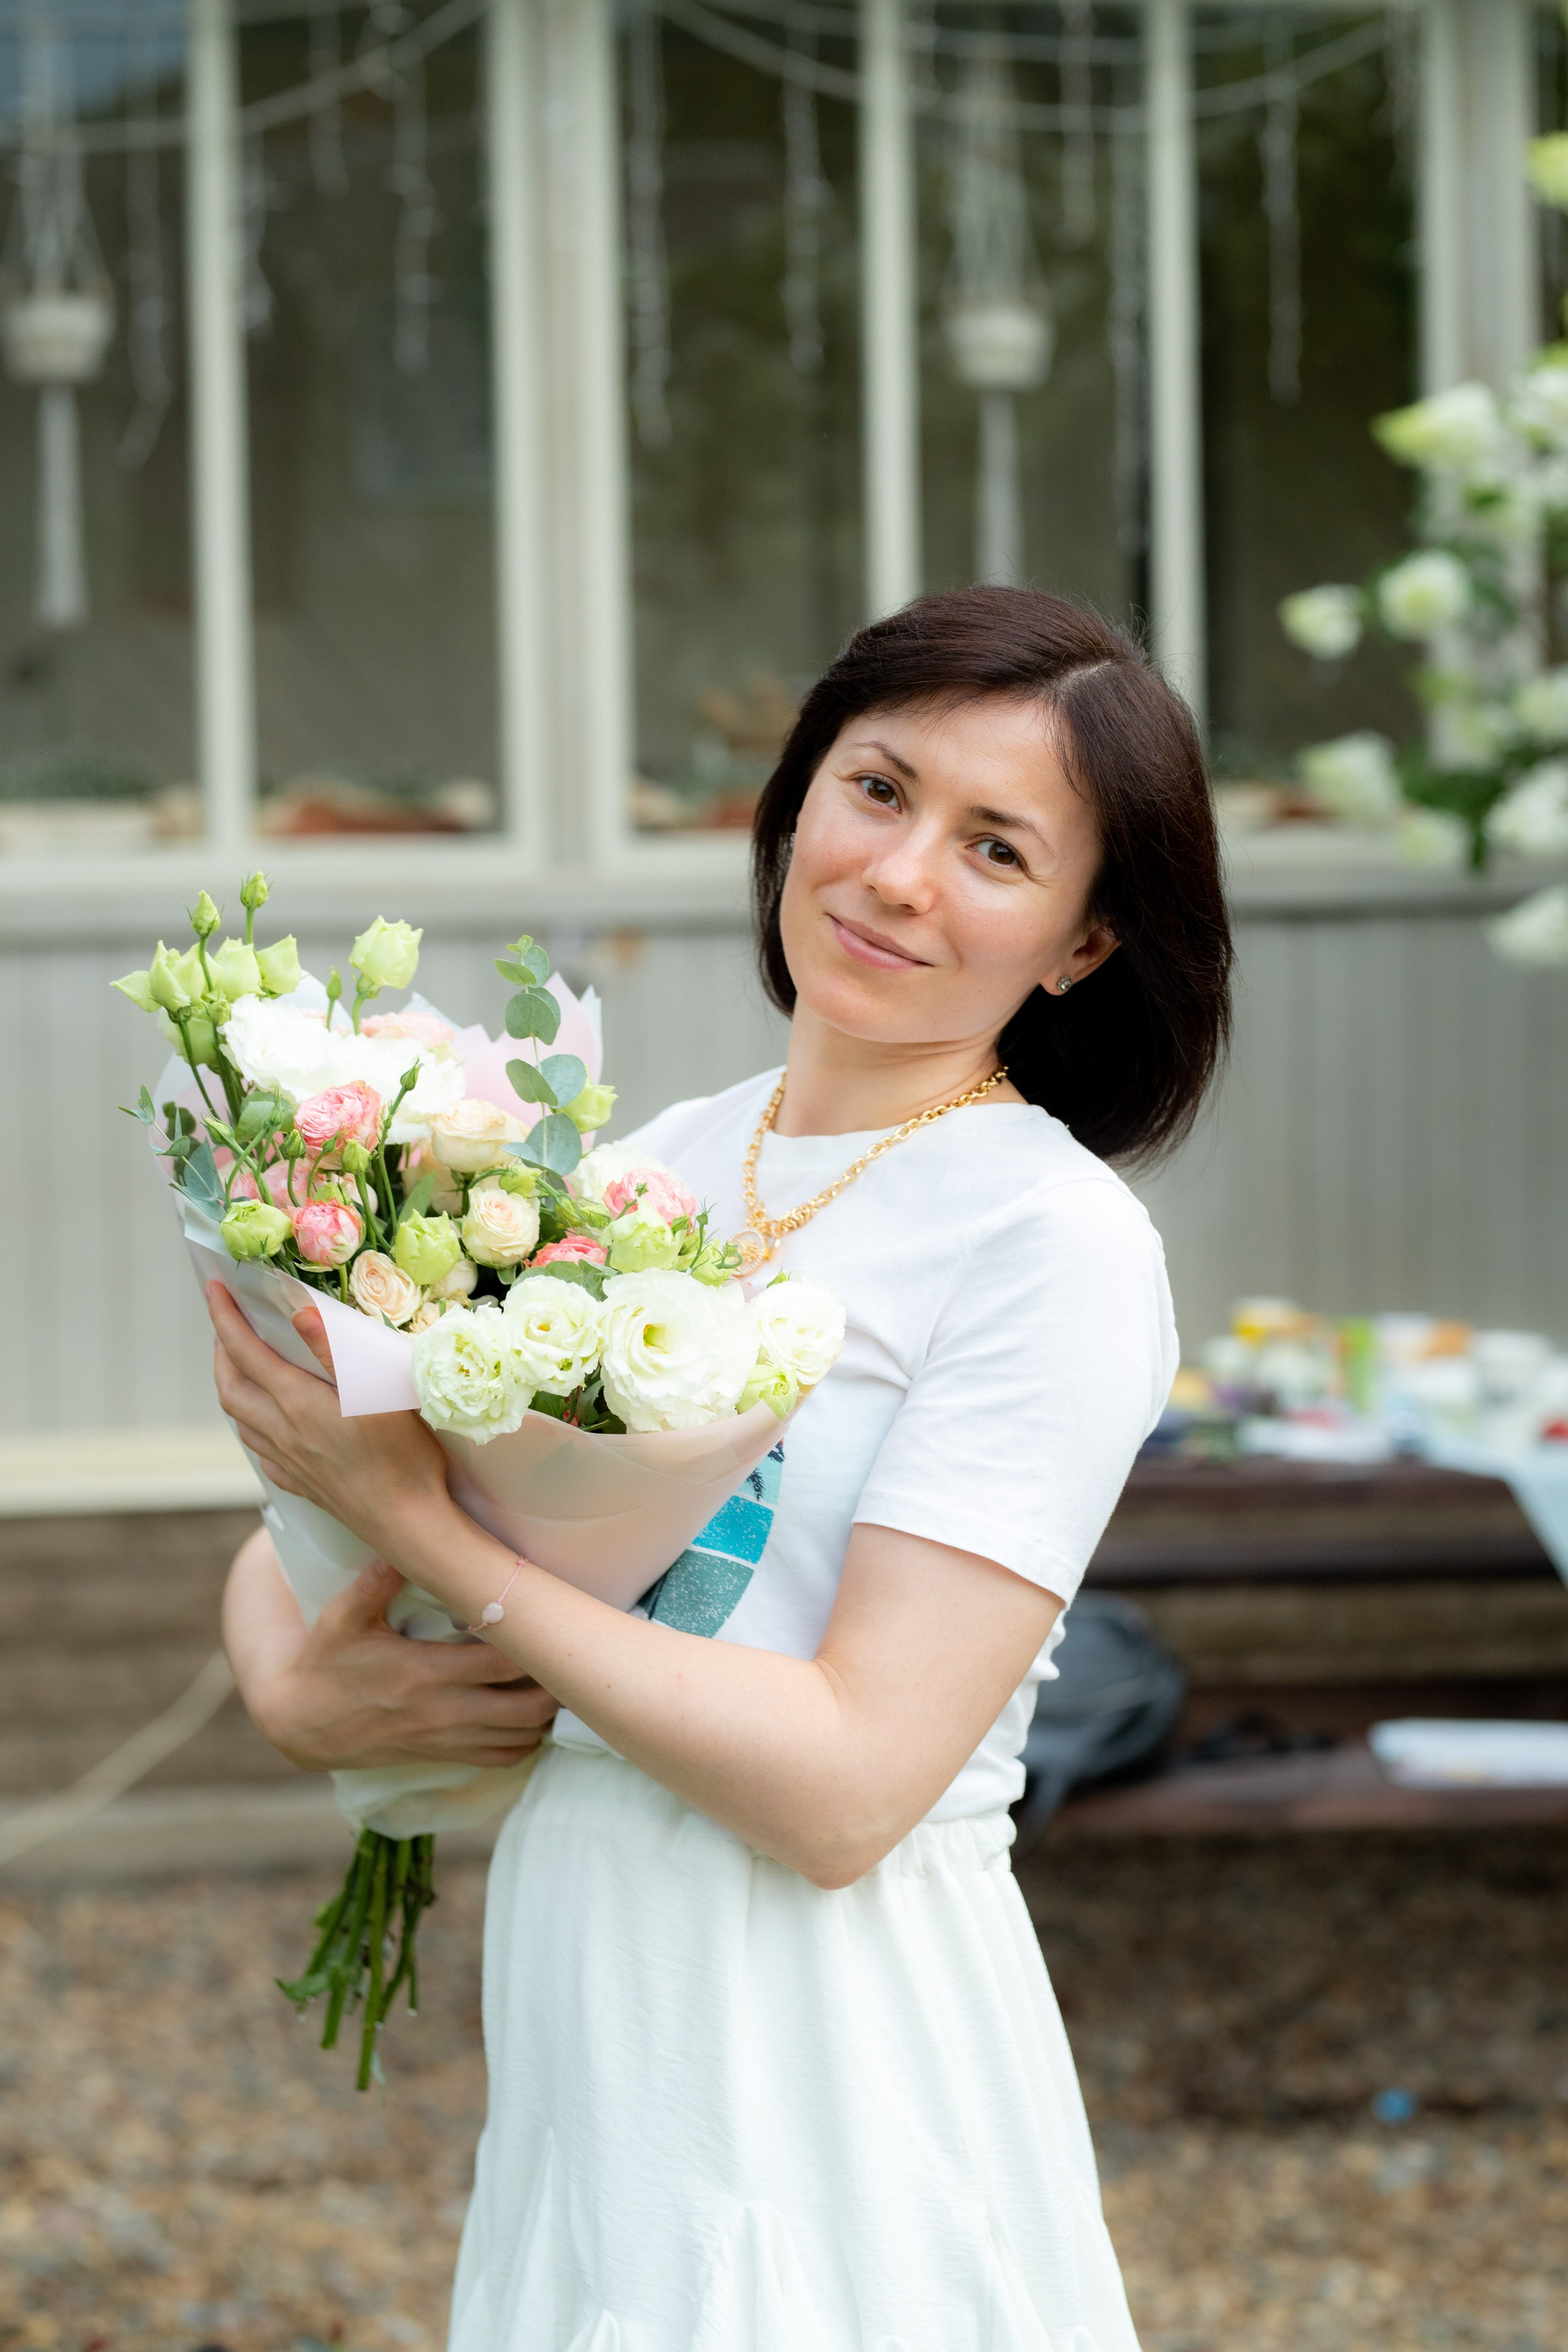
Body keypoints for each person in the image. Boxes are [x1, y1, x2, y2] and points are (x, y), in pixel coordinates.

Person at [214, 586, 1232, 2351]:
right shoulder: (652, 1168)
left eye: (999, 849)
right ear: (796, 802)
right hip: (592, 1984)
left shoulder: (1048, 1240)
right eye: (878, 789)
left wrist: (426, 1546)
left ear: (1081, 942)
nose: (901, 874)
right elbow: (348, 1510)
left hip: (825, 2026)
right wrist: (295, 1681)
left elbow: (848, 1787)